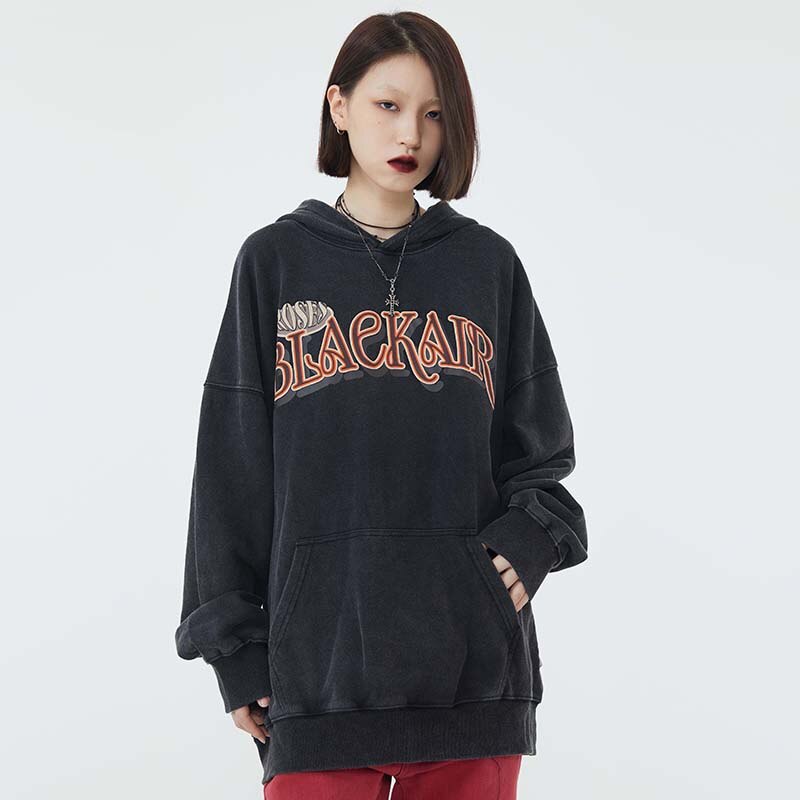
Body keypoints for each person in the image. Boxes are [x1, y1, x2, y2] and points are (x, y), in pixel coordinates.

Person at [175, 11, 588, 799]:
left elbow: (543, 455)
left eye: (434, 113)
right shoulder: (274, 262)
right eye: (388, 105)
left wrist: (526, 544)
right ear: (339, 106)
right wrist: (235, 650)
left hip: (472, 677)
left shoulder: (487, 266)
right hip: (317, 679)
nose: (411, 134)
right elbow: (230, 471)